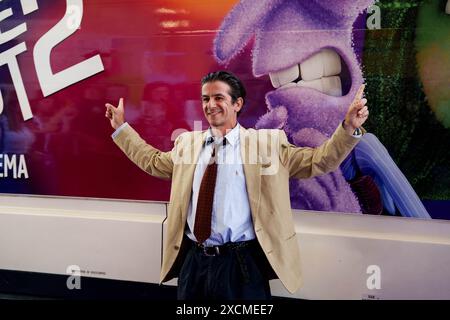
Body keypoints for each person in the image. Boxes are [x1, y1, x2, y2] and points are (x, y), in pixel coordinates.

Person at [105, 71, 369, 300]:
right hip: (194, 263)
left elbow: (318, 161)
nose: (210, 105)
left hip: (242, 266)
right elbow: (153, 161)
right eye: (206, 99)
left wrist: (348, 128)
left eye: (219, 97)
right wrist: (121, 129)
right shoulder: (188, 144)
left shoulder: (267, 144)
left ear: (237, 103)